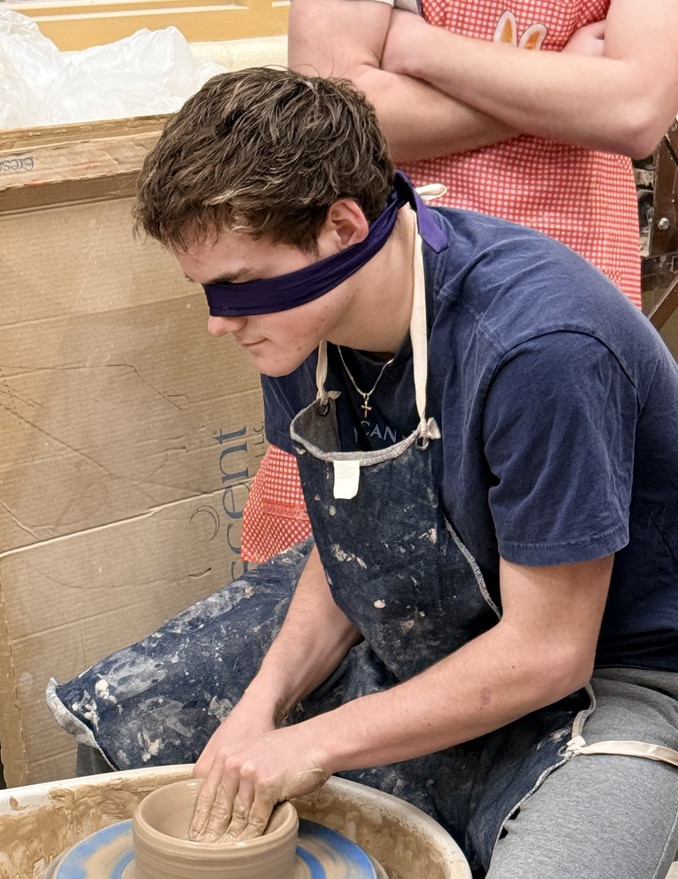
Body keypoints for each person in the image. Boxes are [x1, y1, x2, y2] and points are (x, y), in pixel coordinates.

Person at [48, 68, 678, 879]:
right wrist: (263, 708)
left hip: (617, 669)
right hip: (433, 607)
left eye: (239, 286)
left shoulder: (539, 345)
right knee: (126, 723)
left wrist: (312, 742)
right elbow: (352, 547)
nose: (218, 321)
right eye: (202, 288)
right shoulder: (302, 322)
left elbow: (551, 651)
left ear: (343, 227)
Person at [240, 0, 678, 564]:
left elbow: (634, 112)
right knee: (361, 539)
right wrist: (560, 83)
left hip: (570, 268)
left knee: (558, 535)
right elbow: (335, 118)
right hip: (401, 284)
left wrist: (421, 48)